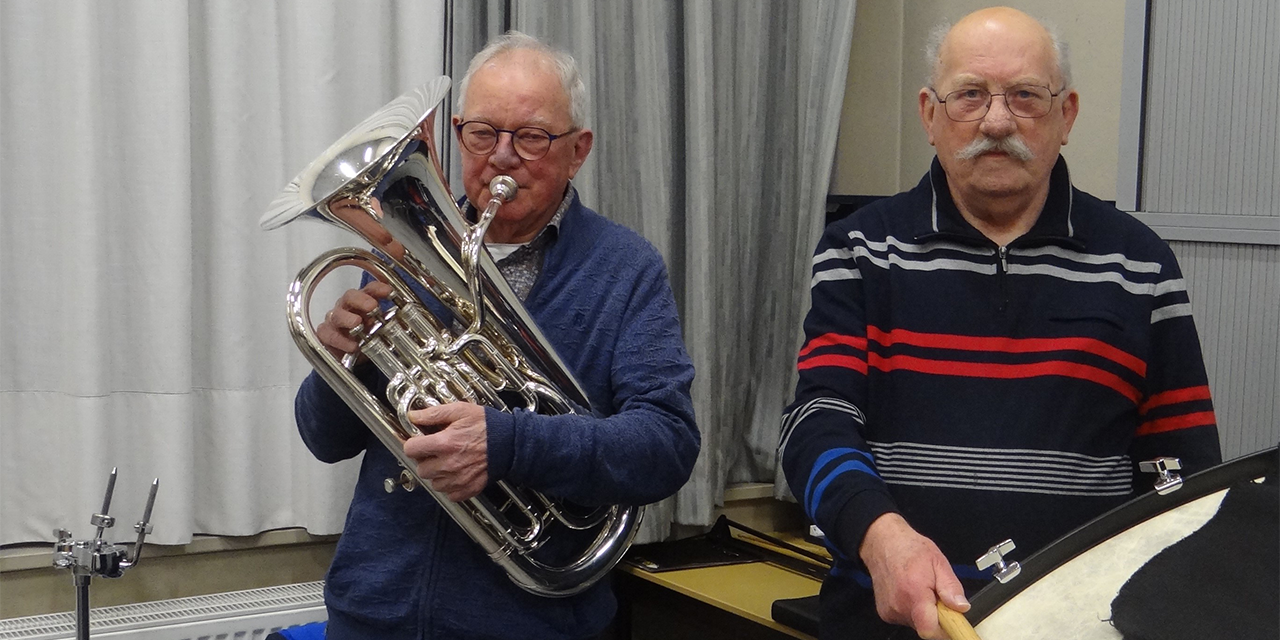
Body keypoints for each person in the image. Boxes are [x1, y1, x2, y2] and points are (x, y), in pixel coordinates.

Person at [778, 7, 1221, 640]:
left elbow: (1184, 477)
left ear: (1066, 115)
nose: (996, 121)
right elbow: (816, 423)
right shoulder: (860, 250)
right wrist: (881, 537)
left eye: (1025, 96)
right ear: (929, 115)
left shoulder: (1140, 264)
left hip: (1081, 629)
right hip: (891, 624)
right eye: (970, 95)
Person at [295, 32, 700, 639]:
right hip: (373, 615)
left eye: (531, 136)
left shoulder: (625, 269)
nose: (502, 157)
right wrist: (337, 363)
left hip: (529, 624)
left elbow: (666, 445)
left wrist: (507, 444)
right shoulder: (401, 249)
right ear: (458, 133)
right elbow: (324, 440)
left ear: (578, 150)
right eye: (482, 133)